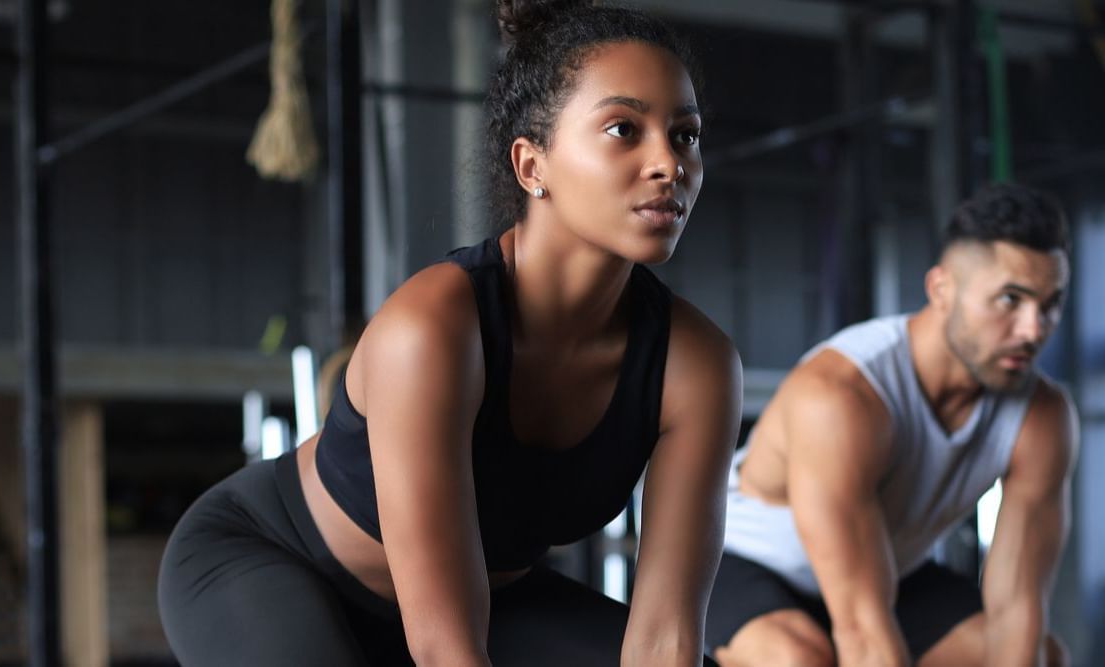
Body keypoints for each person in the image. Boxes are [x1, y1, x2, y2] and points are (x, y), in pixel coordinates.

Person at [158, 1, 741, 664]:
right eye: (623, 128)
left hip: (497, 604)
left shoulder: (696, 365)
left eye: (686, 135)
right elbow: (445, 648)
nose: (669, 162)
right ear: (532, 166)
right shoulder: (434, 326)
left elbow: (665, 639)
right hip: (276, 563)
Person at [707, 183, 1078, 667]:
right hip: (744, 565)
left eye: (1049, 305)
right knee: (799, 660)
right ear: (941, 290)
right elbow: (863, 632)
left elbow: (1017, 609)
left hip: (889, 573)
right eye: (1011, 300)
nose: (1033, 330)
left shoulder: (1042, 415)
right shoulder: (841, 395)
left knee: (1043, 657)